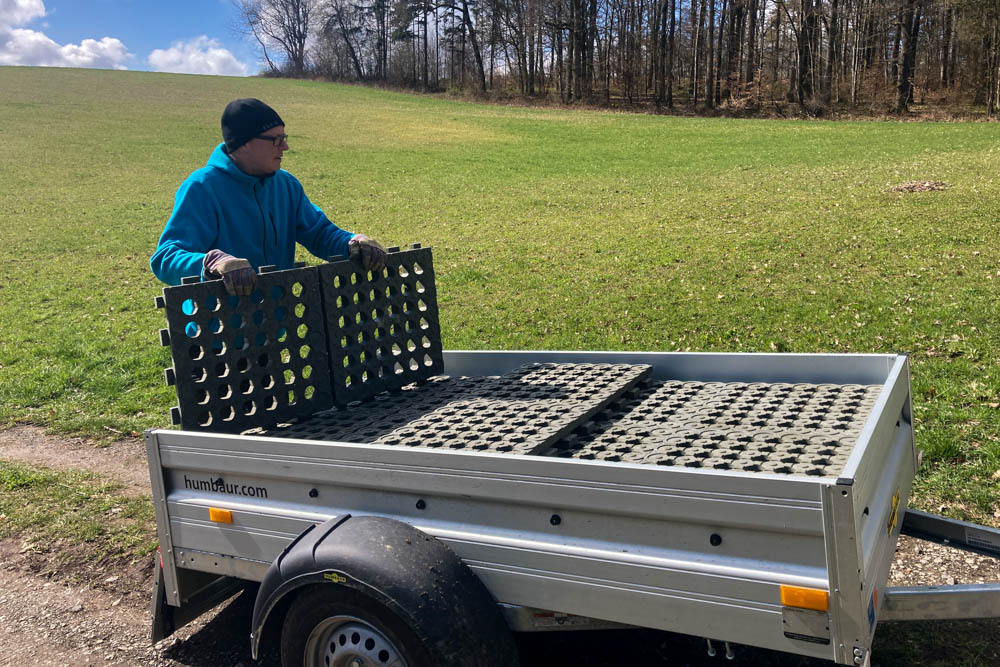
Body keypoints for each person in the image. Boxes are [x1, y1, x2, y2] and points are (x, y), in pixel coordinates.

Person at [150, 98, 386, 295]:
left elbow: (319, 233)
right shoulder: (202, 188)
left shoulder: (286, 185)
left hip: (271, 326)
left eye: (284, 138)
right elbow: (165, 258)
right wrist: (211, 263)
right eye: (275, 139)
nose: (284, 147)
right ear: (243, 144)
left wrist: (352, 242)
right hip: (215, 333)